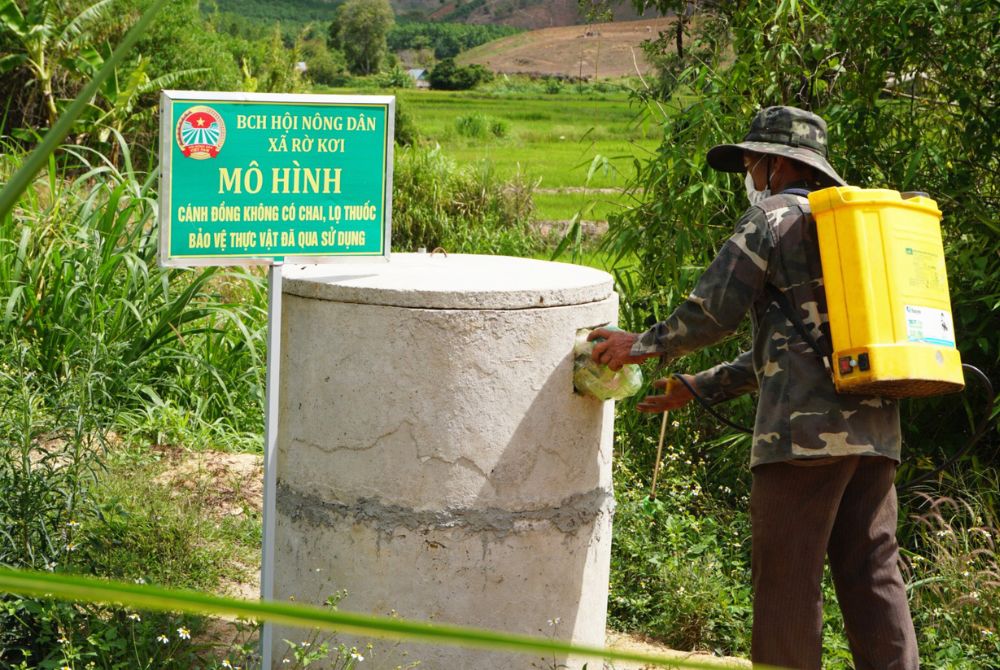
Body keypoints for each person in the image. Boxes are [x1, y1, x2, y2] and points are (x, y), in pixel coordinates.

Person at [589, 106, 919, 670]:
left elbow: (711, 312)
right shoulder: (846, 226)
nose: (747, 174)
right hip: (875, 430)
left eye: (749, 162)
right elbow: (794, 349)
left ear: (773, 164)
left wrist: (638, 344)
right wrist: (697, 386)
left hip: (803, 442)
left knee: (787, 584)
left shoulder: (771, 219)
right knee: (872, 573)